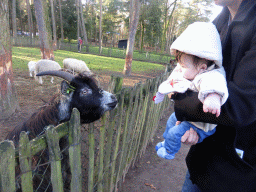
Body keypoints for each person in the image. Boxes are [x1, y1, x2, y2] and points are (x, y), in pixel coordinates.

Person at [169, 0, 256, 191]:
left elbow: (239, 107)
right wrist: (189, 121)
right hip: (201, 162)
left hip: (236, 173)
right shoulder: (216, 25)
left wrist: (180, 100)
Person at [154, 22, 229, 160]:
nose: (180, 70)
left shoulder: (210, 75)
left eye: (183, 66)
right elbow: (175, 77)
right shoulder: (190, 70)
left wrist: (213, 97)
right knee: (171, 121)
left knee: (175, 133)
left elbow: (215, 84)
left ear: (202, 67)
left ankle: (170, 151)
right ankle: (166, 142)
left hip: (202, 125)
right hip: (189, 117)